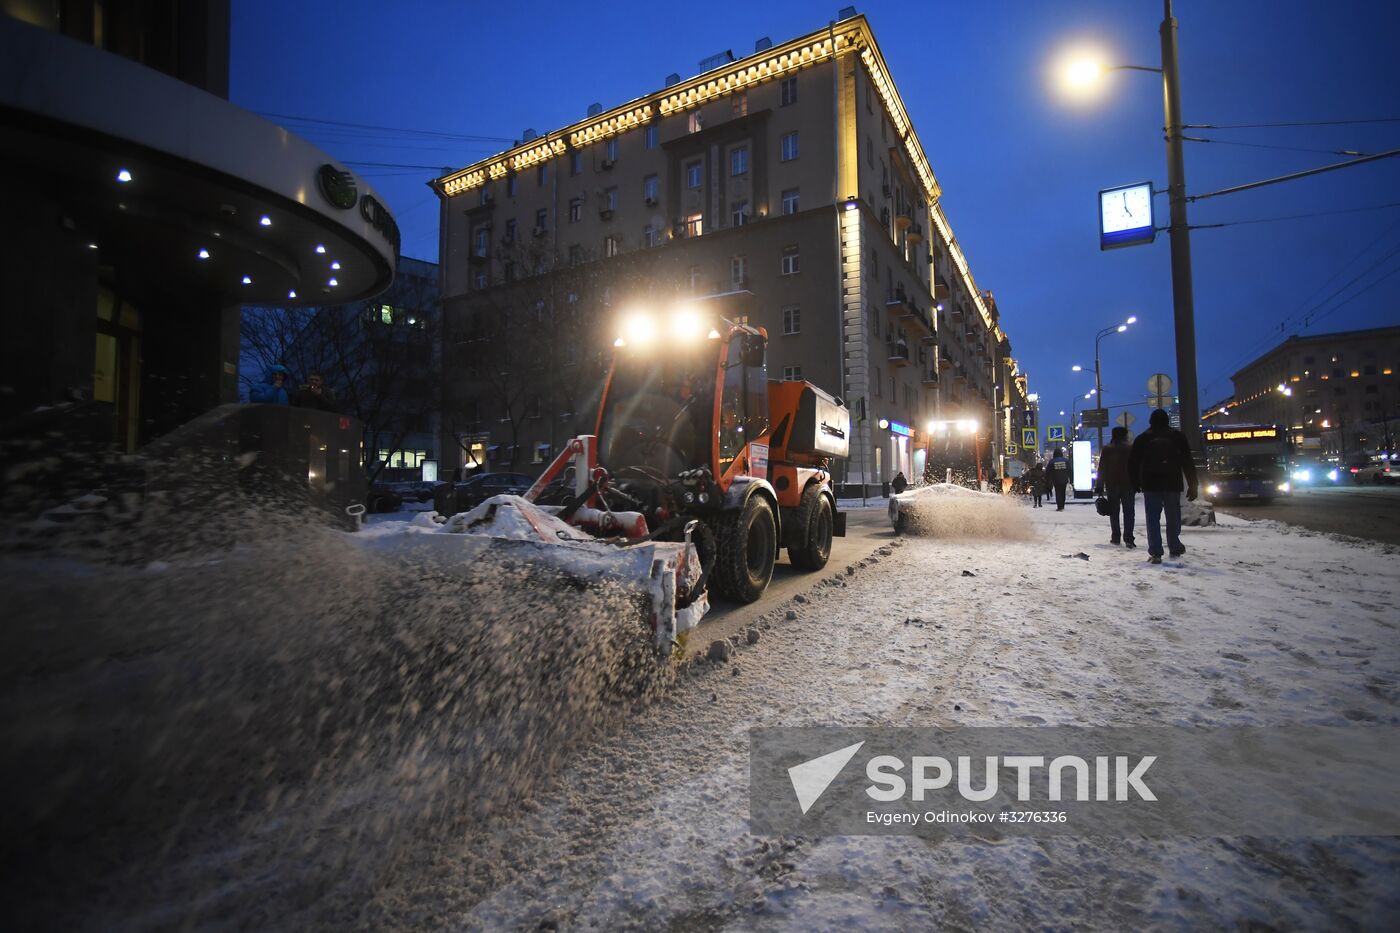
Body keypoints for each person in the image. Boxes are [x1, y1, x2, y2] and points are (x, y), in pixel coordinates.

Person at [1129, 408, 1199, 565]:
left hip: (1151, 483)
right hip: (1172, 482)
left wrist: (1135, 483)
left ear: (1150, 422)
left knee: (1152, 518)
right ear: (1167, 421)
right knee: (1173, 516)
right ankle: (1174, 546)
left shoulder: (1143, 438)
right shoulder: (1177, 437)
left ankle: (1156, 552)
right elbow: (1188, 462)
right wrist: (1193, 484)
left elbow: (1133, 463)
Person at [1095, 426, 1136, 547]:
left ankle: (1116, 537)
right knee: (1129, 511)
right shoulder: (1130, 448)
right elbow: (1135, 466)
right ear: (1125, 435)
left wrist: (1099, 485)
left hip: (1112, 484)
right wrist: (1138, 483)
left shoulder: (1108, 449)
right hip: (1128, 484)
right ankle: (1129, 538)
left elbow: (1102, 468)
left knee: (1114, 511)